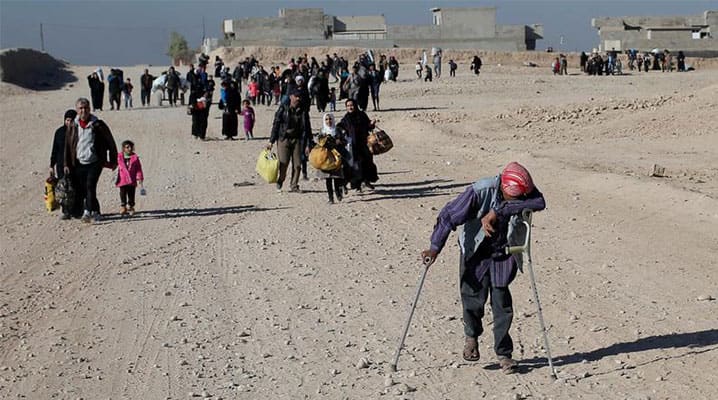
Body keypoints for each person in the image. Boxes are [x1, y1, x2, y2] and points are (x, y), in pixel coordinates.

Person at [421, 162, 546, 374]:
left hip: (503, 252)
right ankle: (471, 337)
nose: (522, 202)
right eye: (516, 200)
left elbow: (539, 202)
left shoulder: (524, 191)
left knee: (502, 304)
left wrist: (497, 211)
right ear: (504, 189)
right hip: (475, 251)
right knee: (472, 299)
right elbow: (448, 216)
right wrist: (435, 247)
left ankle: (504, 354)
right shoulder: (479, 192)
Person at [63, 97, 118, 223]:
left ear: (90, 109)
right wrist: (66, 163)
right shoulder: (73, 125)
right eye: (81, 108)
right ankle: (96, 211)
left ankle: (87, 211)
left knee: (90, 185)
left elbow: (110, 142)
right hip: (79, 162)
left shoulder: (98, 124)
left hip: (95, 161)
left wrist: (113, 160)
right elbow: (68, 145)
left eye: (86, 108)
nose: (83, 111)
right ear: (77, 110)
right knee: (84, 188)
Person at [267, 90, 312, 192]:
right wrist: (271, 141)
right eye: (296, 96)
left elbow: (307, 128)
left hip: (297, 140)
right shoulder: (283, 109)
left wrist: (308, 143)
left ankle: (294, 185)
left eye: (299, 97)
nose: (298, 99)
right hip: (284, 139)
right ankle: (281, 179)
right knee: (283, 163)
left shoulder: (303, 111)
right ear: (291, 97)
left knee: (297, 165)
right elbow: (276, 125)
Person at [336, 98, 378, 191]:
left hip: (365, 144)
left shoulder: (362, 115)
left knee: (368, 162)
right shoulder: (346, 119)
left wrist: (372, 124)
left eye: (351, 105)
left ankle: (367, 181)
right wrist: (340, 135)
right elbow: (339, 127)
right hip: (354, 146)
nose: (350, 107)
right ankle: (357, 186)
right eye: (348, 106)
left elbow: (368, 126)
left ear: (355, 105)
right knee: (356, 165)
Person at [50, 109, 77, 220]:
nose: (69, 123)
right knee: (63, 189)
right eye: (67, 120)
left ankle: (76, 209)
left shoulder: (78, 132)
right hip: (61, 165)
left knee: (75, 187)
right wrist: (52, 165)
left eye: (71, 120)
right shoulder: (59, 132)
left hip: (75, 165)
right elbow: (55, 149)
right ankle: (65, 211)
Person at [315, 113, 347, 204]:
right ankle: (330, 198)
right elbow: (319, 142)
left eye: (330, 119)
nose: (328, 121)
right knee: (328, 179)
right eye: (326, 119)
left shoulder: (337, 130)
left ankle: (338, 193)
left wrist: (339, 141)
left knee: (336, 177)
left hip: (336, 157)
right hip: (325, 158)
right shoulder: (322, 131)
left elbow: (344, 141)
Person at [115, 140, 144, 216]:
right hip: (122, 179)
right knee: (122, 193)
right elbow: (114, 164)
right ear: (123, 148)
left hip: (132, 180)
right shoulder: (119, 157)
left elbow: (138, 169)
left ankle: (131, 207)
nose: (129, 149)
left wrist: (139, 177)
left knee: (131, 194)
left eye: (131, 147)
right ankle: (123, 206)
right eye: (127, 147)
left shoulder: (135, 158)